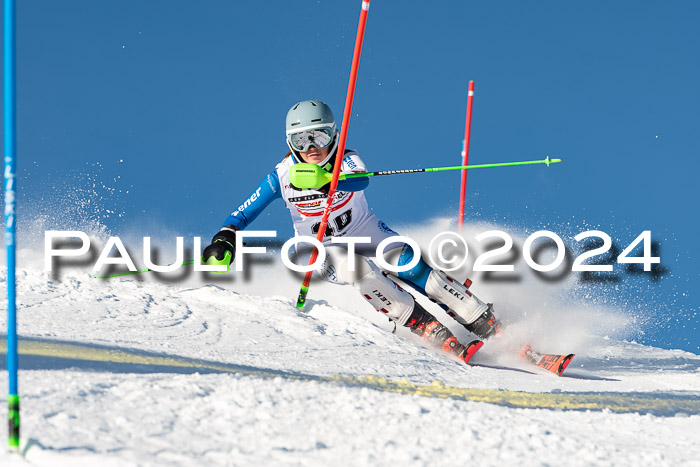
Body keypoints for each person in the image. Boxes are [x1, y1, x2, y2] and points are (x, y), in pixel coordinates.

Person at [202, 100, 503, 365]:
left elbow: (360, 181)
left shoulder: (346, 157)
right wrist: (225, 236)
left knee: (409, 262)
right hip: (321, 248)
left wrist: (329, 180)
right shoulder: (280, 176)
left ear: (333, 134)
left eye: (319, 135)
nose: (311, 148)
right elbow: (243, 212)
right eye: (301, 139)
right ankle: (421, 323)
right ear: (289, 141)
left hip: (363, 229)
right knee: (356, 268)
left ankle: (479, 316)